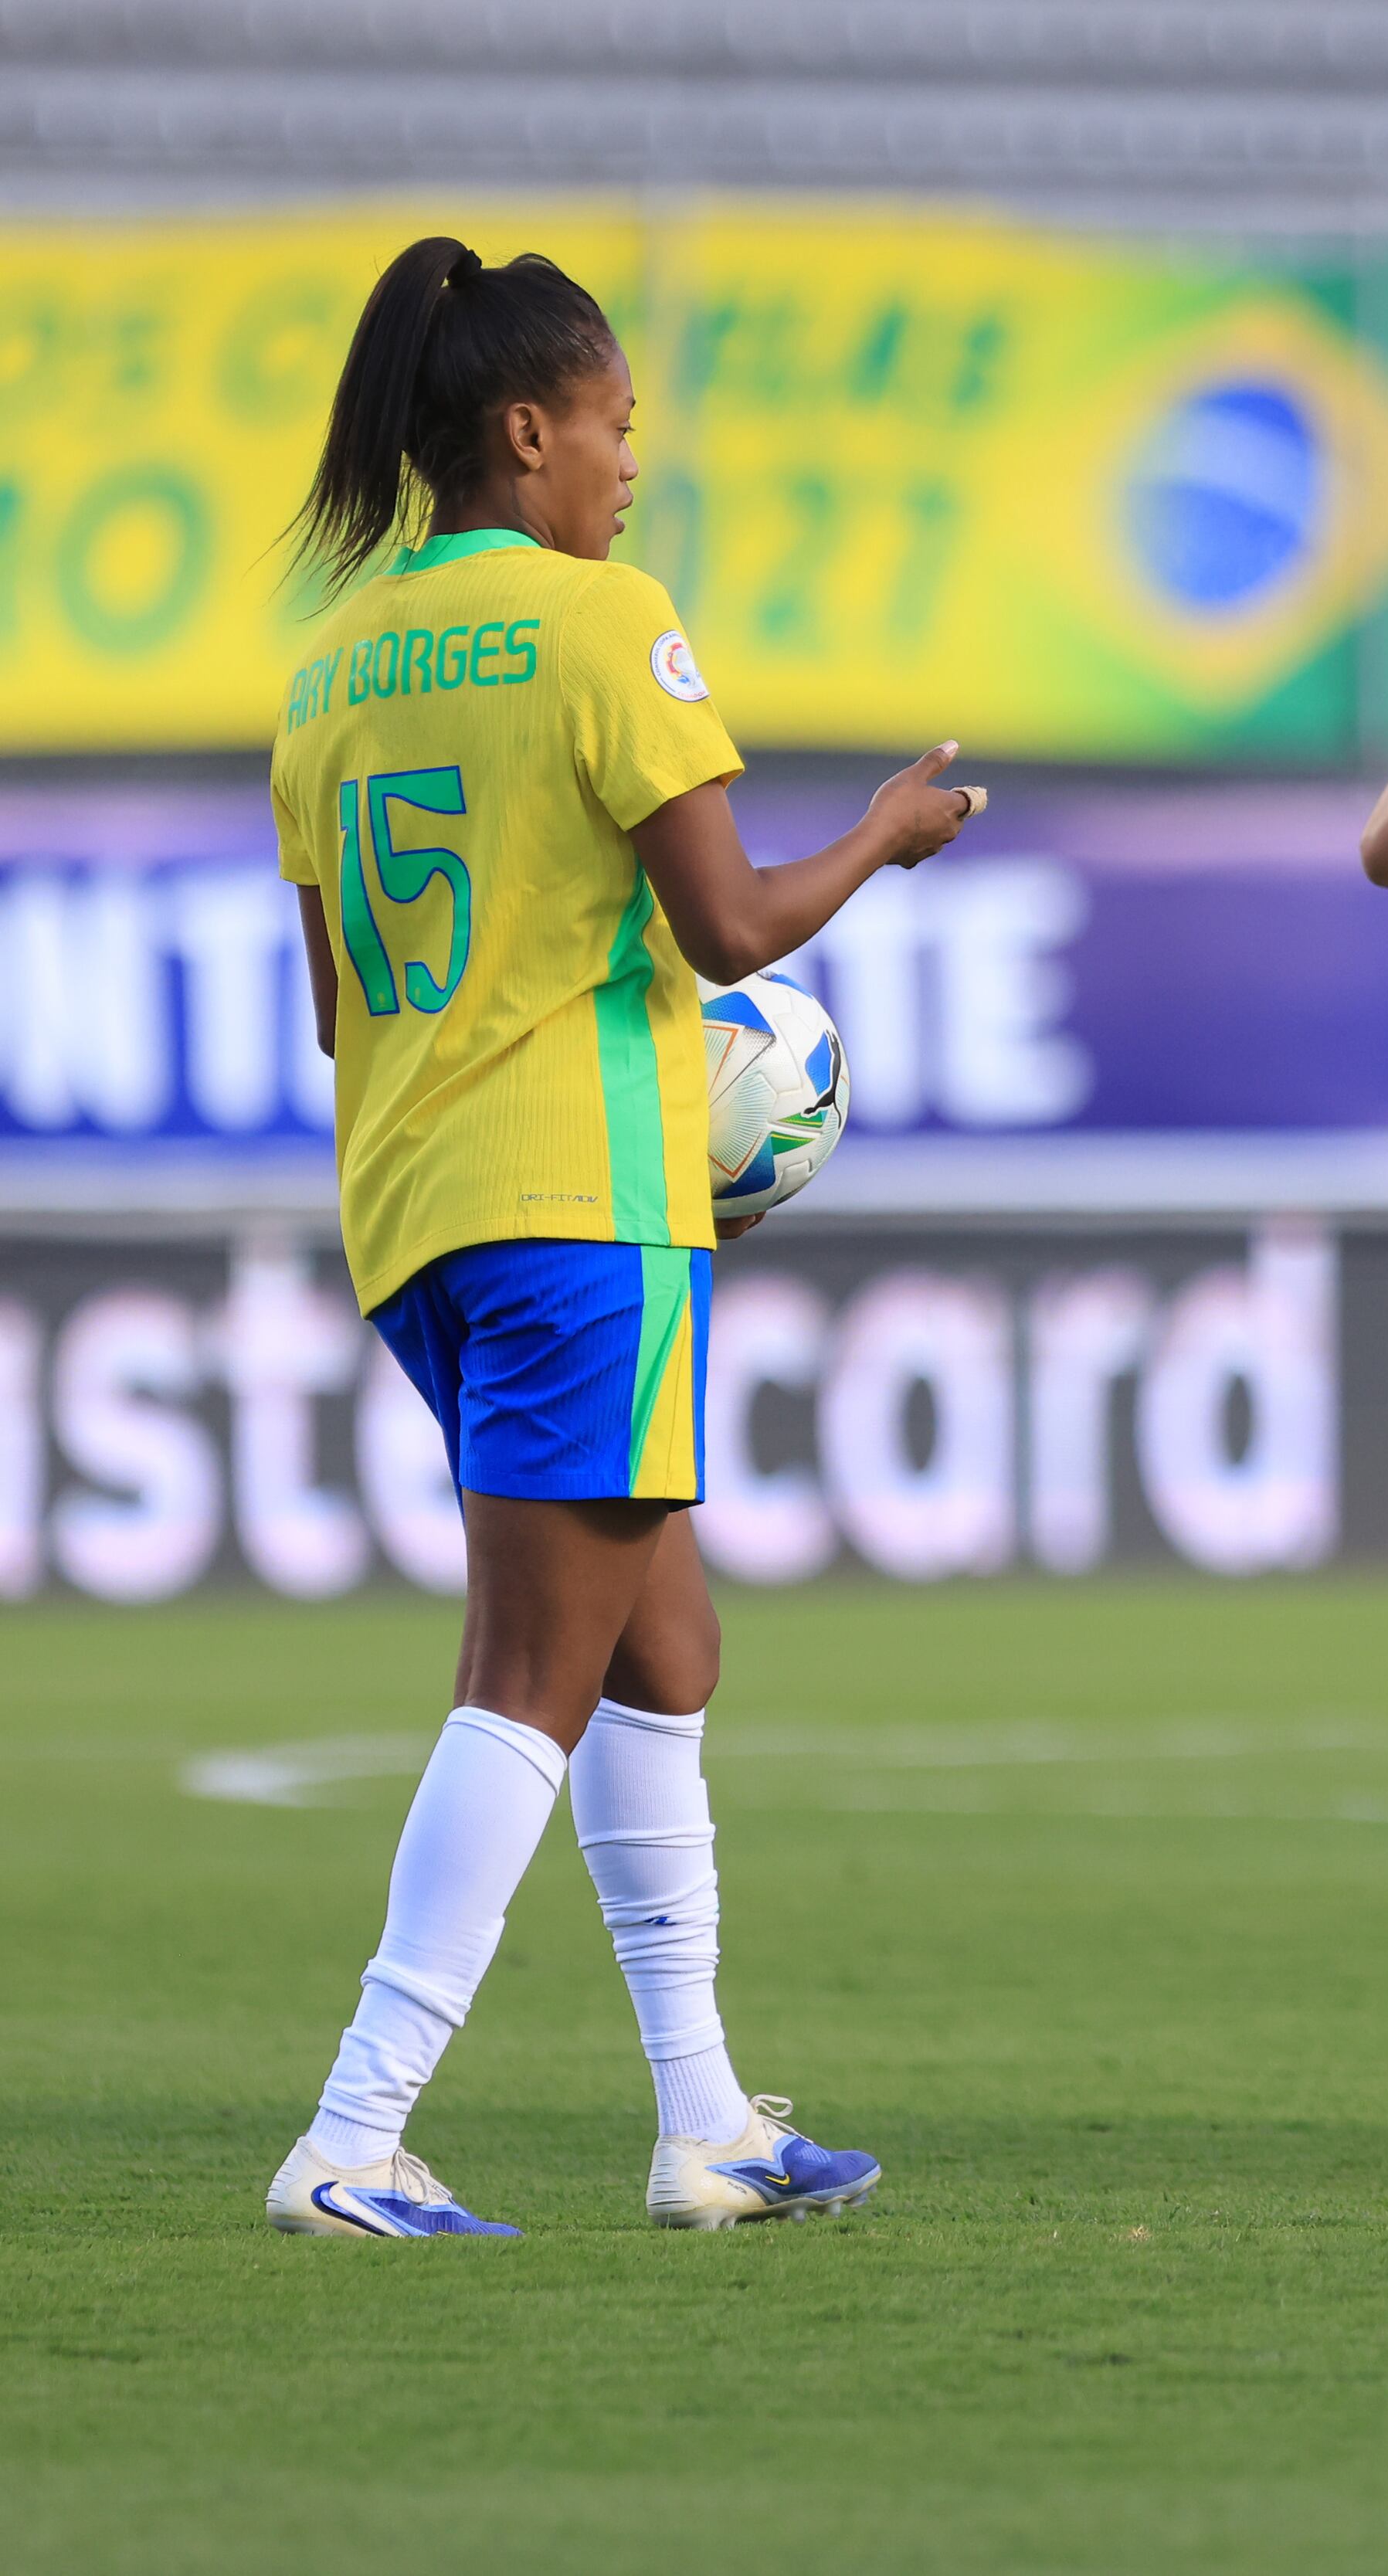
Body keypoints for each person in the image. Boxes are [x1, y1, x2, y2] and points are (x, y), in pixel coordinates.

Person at [263, 238, 976, 2236]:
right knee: (530, 1677)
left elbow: (339, 1002)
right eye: (614, 427)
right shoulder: (601, 623)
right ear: (525, 430)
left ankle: (711, 2126)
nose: (628, 467)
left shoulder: (329, 667)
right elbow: (733, 929)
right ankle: (352, 2133)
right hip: (584, 1204)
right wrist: (886, 834)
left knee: (665, 1649)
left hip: (417, 1210)